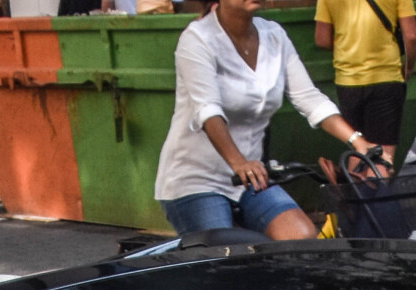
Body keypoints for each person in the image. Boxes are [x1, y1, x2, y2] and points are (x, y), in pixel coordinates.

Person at [156, 0, 382, 239]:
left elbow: (309, 98)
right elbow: (208, 111)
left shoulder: (274, 35)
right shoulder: (198, 39)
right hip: (195, 181)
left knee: (300, 237)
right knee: (224, 258)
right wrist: (239, 163)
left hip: (250, 179)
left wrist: (358, 142)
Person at [312, 0, 414, 163]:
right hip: (386, 77)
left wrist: (347, 48)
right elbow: (411, 36)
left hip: (348, 81)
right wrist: (409, 67)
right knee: (383, 158)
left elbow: (322, 39)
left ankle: (354, 185)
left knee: (358, 149)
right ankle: (377, 187)